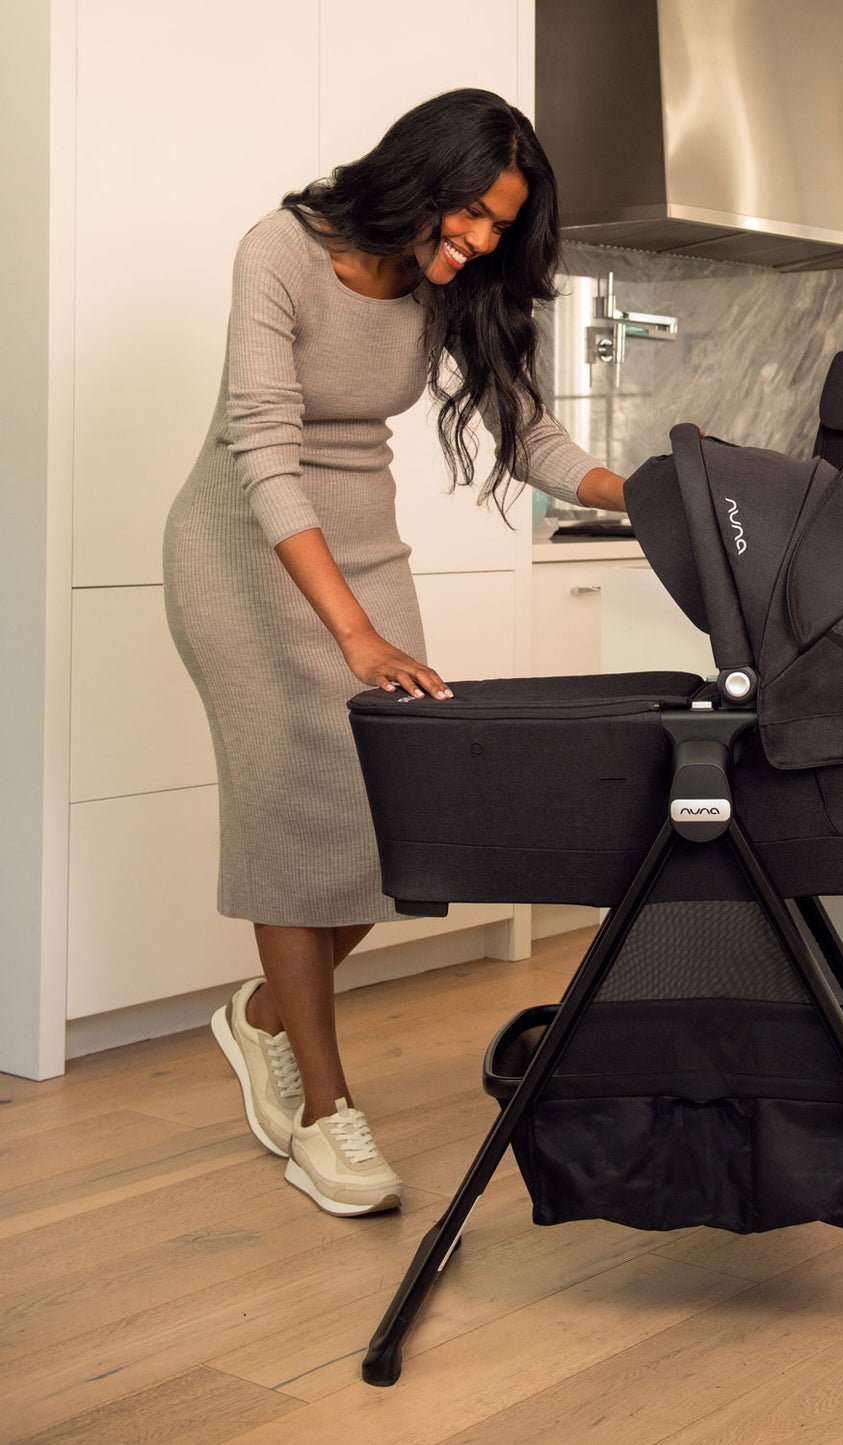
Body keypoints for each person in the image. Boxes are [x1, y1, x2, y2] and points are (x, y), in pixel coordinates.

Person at [163, 89, 627, 1217]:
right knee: (292, 813)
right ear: (417, 178)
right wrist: (355, 635)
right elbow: (265, 451)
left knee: (396, 818)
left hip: (362, 553)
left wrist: (638, 494)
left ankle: (267, 1014)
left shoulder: (444, 286)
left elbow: (527, 433)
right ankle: (323, 1113)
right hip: (244, 557)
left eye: (495, 230)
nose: (474, 244)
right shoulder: (279, 251)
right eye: (466, 213)